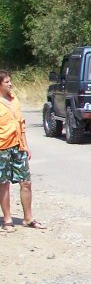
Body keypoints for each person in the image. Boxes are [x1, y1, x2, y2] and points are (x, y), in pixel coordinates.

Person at [0, 70, 44, 232]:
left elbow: (21, 124)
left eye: (10, 81)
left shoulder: (14, 99)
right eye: (6, 82)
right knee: (3, 184)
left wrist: (25, 145)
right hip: (2, 147)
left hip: (18, 146)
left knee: (26, 182)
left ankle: (28, 218)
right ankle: (7, 220)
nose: (10, 84)